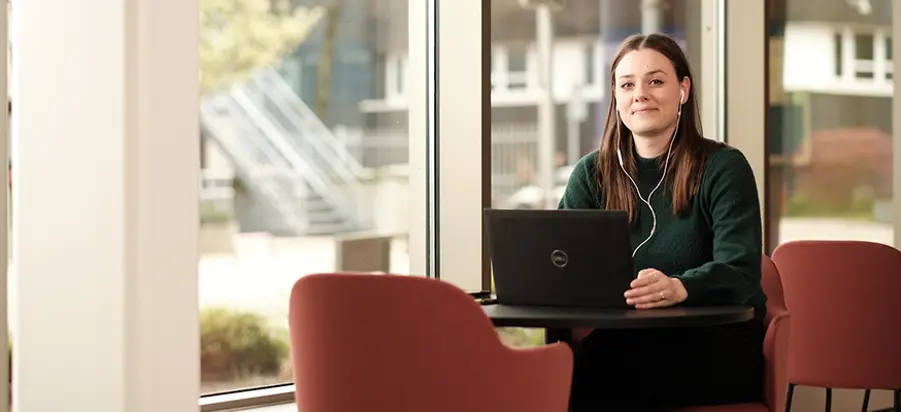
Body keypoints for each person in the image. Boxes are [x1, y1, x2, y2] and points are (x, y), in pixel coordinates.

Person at [559, 32, 767, 411]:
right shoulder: (592, 174)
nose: (640, 93)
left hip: (714, 340)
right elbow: (560, 263)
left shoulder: (724, 168)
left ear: (683, 90)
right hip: (624, 341)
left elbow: (741, 270)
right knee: (575, 371)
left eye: (655, 81)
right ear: (616, 98)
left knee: (599, 377)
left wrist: (679, 288)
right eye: (627, 84)